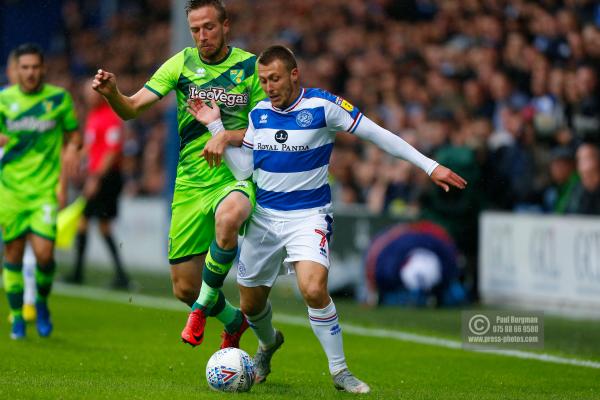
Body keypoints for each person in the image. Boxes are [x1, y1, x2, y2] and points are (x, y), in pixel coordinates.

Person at [186, 45, 467, 393]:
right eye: (262, 80)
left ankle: (340, 371)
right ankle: (268, 344)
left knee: (314, 288)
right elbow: (246, 170)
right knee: (250, 304)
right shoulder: (259, 114)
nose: (268, 86)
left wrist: (429, 165)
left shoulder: (323, 106)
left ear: (294, 74)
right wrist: (216, 128)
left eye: (274, 78)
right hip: (264, 219)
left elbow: (377, 135)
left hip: (309, 216)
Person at [91, 0, 265, 348]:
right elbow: (132, 108)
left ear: (225, 25)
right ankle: (234, 320)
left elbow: (268, 131)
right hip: (190, 183)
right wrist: (113, 94)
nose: (202, 36)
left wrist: (226, 136)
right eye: (196, 29)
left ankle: (201, 309)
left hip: (235, 177)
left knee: (229, 217)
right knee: (184, 287)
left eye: (209, 27)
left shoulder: (249, 68)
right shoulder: (181, 63)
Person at [0, 43, 81, 339]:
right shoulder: (3, 101)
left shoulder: (58, 99)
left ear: (43, 68)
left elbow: (74, 135)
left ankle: (42, 302)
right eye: (25, 67)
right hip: (10, 191)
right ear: (16, 71)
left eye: (35, 67)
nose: (31, 72)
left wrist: (73, 149)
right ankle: (18, 317)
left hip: (44, 190)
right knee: (13, 252)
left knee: (45, 255)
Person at [65, 80, 131, 289]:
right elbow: (93, 147)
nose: (89, 96)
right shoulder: (93, 116)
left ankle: (79, 273)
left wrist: (95, 178)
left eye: (92, 93)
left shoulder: (111, 117)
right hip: (98, 176)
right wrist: (78, 158)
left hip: (107, 178)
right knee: (100, 226)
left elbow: (112, 152)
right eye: (87, 93)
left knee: (87, 223)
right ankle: (120, 276)